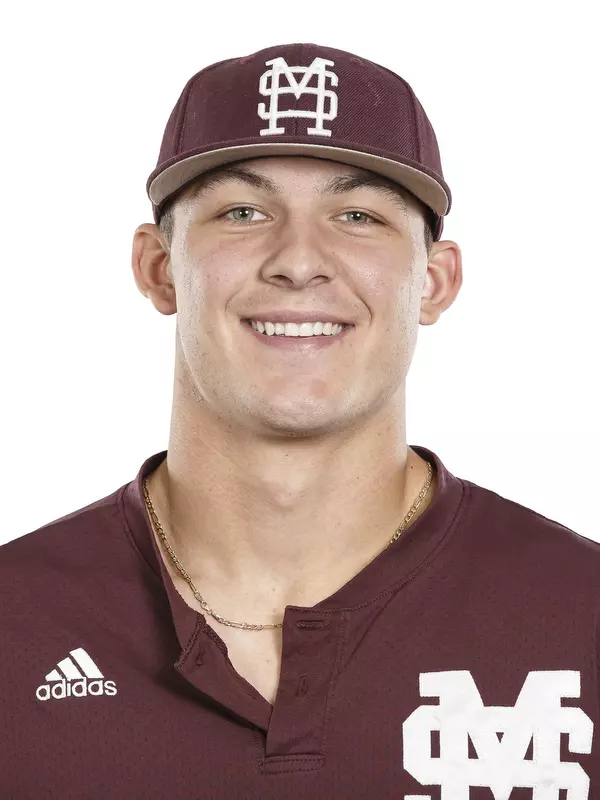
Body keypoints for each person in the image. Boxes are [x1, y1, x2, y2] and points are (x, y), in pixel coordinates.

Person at [1, 42, 598, 799]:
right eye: (243, 212)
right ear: (158, 268)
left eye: (357, 216)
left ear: (435, 281)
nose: (298, 260)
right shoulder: (14, 624)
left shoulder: (581, 614)